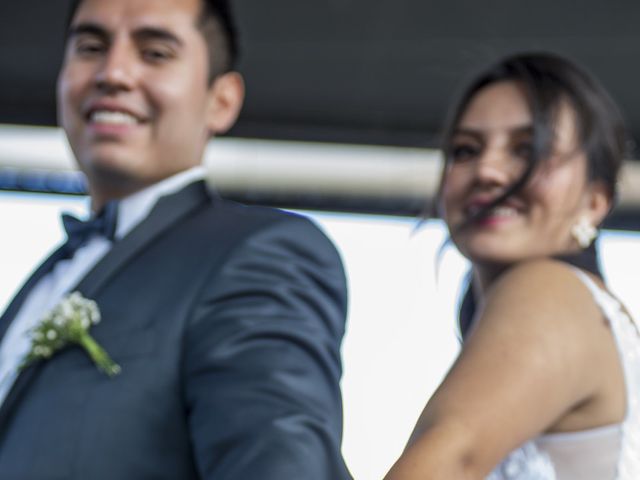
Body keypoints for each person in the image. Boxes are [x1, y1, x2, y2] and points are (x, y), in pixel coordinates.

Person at [0, 0, 352, 478]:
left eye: (156, 53)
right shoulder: (52, 269)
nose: (114, 73)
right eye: (90, 47)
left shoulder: (259, 251)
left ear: (221, 100)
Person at [385, 52, 640, 479]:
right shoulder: (592, 316)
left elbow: (449, 462)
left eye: (528, 149)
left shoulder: (550, 290)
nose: (487, 170)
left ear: (595, 201)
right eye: (466, 150)